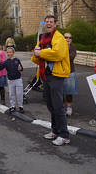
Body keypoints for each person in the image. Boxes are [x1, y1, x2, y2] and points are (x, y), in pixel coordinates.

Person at [31, 15, 71, 146]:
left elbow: (58, 54)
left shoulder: (59, 38)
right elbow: (37, 57)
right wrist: (36, 53)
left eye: (51, 22)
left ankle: (64, 135)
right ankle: (55, 130)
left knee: (58, 106)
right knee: (50, 104)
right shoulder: (42, 38)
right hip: (45, 76)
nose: (48, 24)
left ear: (56, 24)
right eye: (47, 22)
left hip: (56, 75)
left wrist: (40, 53)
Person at [0, 47, 24, 113]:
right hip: (11, 80)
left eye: (10, 52)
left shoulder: (17, 60)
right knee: (12, 94)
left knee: (19, 94)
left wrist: (20, 68)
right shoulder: (6, 62)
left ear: (13, 53)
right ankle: (13, 106)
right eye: (8, 52)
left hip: (18, 79)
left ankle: (20, 106)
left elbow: (21, 68)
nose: (9, 53)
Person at [63, 33, 77, 117]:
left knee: (69, 91)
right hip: (60, 71)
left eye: (70, 38)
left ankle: (69, 107)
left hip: (70, 71)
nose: (68, 39)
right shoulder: (59, 46)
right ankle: (61, 107)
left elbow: (71, 57)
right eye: (66, 37)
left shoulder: (73, 47)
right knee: (60, 91)